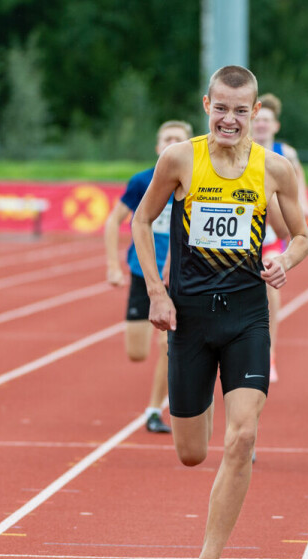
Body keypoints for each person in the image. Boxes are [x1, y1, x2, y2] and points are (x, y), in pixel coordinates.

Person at [131, 65, 308, 559]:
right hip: (188, 318)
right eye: (222, 108)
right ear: (206, 104)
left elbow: (301, 237)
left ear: (257, 113)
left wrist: (284, 263)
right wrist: (157, 295)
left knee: (244, 436)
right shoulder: (182, 158)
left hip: (247, 316)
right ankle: (197, 400)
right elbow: (142, 222)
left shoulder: (274, 169)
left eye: (241, 110)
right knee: (192, 451)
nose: (231, 118)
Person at [104, 120, 194, 434]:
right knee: (136, 352)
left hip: (178, 278)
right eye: (167, 138)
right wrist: (113, 265)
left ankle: (154, 410)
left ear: (188, 145)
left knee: (167, 346)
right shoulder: (142, 181)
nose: (172, 142)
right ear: (158, 146)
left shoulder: (194, 182)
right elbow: (114, 221)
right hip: (143, 272)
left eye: (178, 138)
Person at [250, 93, 308, 382]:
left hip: (271, 236)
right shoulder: (241, 148)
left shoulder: (284, 152)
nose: (261, 125)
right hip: (241, 235)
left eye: (266, 121)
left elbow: (298, 178)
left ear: (275, 125)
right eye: (258, 120)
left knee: (270, 296)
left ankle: (269, 354)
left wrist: (303, 205)